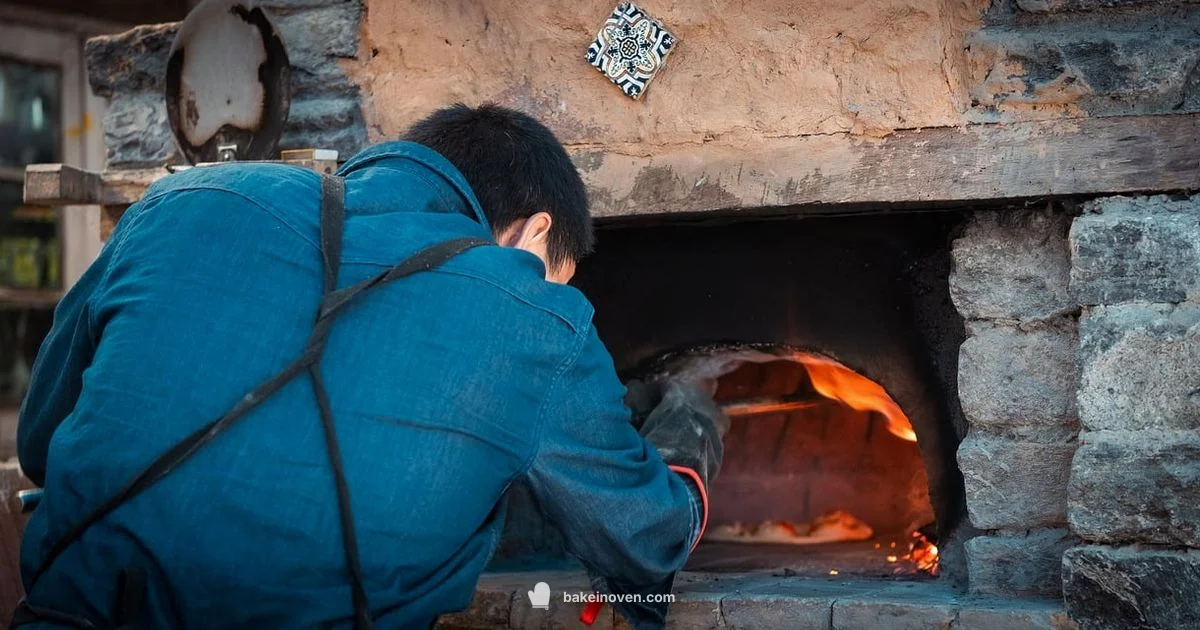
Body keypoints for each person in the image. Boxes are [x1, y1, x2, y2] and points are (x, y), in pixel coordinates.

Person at [14, 103, 727, 629]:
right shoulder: (535, 317)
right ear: (535, 231)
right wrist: (688, 431)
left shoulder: (177, 204)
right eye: (553, 276)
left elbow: (42, 442)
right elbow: (644, 541)